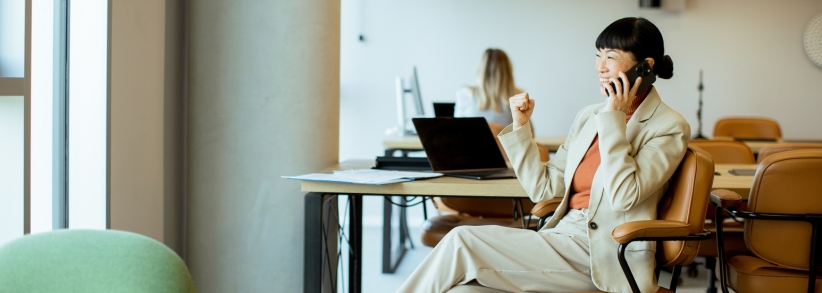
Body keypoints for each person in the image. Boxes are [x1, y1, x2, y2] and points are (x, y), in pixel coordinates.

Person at [396, 17, 689, 293]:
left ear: (645, 66)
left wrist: (614, 120)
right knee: (463, 289)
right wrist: (521, 127)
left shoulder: (669, 126)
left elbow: (625, 195)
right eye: (597, 55)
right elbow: (543, 189)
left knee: (462, 240)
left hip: (606, 254)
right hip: (561, 237)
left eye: (611, 57)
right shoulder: (590, 116)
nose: (600, 67)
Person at [454, 48, 522, 126]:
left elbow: (456, 129)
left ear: (481, 70)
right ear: (508, 71)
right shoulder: (517, 97)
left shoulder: (465, 95)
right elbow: (530, 133)